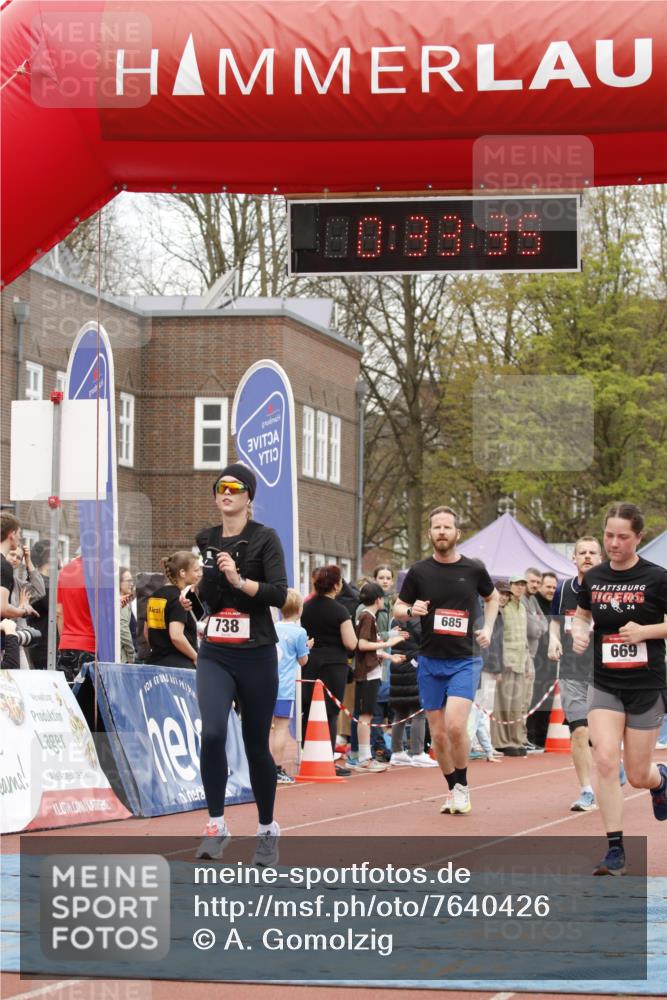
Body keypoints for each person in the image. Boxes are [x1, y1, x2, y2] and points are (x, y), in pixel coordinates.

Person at [194, 463, 288, 865]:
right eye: (221, 487)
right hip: (216, 651)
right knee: (213, 733)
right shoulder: (207, 539)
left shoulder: (265, 538)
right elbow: (209, 598)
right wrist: (196, 593)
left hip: (256, 652)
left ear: (249, 496)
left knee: (255, 746)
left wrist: (238, 581)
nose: (227, 493)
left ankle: (267, 828)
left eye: (235, 488)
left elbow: (279, 595)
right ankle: (216, 826)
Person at [572, 503, 667, 876]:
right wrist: (579, 633)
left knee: (638, 774)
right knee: (606, 760)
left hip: (646, 684)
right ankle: (615, 850)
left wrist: (645, 631)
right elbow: (583, 615)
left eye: (622, 537)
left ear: (638, 537)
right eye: (609, 535)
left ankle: (660, 780)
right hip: (606, 683)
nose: (613, 543)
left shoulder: (657, 578)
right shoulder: (594, 577)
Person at [394, 506, 499, 815]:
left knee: (455, 725)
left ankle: (463, 786)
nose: (442, 531)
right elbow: (398, 607)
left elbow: (492, 597)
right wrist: (411, 610)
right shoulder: (419, 571)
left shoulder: (474, 569)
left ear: (457, 533)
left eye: (447, 527)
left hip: (465, 659)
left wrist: (488, 628)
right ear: (430, 533)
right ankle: (453, 787)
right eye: (437, 527)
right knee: (438, 735)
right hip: (430, 660)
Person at [549, 536, 602, 811]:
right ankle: (586, 791)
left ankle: (613, 762)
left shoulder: (609, 589)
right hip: (572, 670)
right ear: (574, 558)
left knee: (602, 735)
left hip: (604, 672)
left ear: (601, 558)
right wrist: (553, 639)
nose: (587, 557)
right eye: (582, 552)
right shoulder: (563, 589)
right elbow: (555, 623)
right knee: (579, 731)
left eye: (592, 552)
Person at [301, 564, 358, 776]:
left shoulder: (306, 607)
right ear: (336, 585)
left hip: (310, 661)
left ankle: (308, 754)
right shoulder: (340, 610)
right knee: (330, 712)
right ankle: (327, 758)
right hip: (334, 665)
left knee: (310, 708)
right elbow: (351, 643)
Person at [354, 581, 407, 772]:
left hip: (370, 669)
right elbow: (362, 645)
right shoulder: (367, 617)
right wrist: (388, 643)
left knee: (366, 715)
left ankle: (364, 757)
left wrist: (390, 657)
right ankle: (364, 759)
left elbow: (369, 647)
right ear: (378, 599)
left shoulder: (368, 616)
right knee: (365, 715)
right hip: (367, 672)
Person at [272, 588, 312, 784]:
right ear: (299, 609)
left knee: (262, 728)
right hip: (284, 686)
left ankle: (258, 767)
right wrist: (307, 648)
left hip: (265, 684)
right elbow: (303, 660)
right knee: (280, 729)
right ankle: (276, 769)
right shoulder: (299, 632)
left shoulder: (272, 627)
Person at [491, 575, 529, 757]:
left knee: (516, 704)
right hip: (506, 662)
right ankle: (501, 742)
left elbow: (525, 639)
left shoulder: (522, 607)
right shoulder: (503, 607)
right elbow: (497, 637)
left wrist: (528, 662)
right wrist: (502, 660)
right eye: (516, 584)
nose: (520, 587)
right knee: (502, 704)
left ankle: (516, 739)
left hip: (521, 661)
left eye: (522, 584)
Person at [145, 553, 201, 668]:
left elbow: (146, 632)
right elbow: (176, 636)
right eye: (196, 570)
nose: (200, 574)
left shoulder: (155, 596)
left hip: (155, 663)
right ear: (182, 573)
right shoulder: (179, 599)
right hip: (179, 666)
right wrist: (195, 657)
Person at [527, 571, 559, 749]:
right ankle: (530, 738)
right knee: (532, 700)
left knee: (547, 702)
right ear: (540, 586)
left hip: (551, 663)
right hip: (535, 660)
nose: (552, 590)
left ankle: (541, 739)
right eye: (548, 586)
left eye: (554, 587)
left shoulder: (556, 606)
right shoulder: (533, 603)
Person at [56, 552, 96, 684]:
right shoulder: (98, 572)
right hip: (90, 646)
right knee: (88, 696)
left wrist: (65, 639)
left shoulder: (65, 571)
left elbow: (59, 612)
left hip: (66, 644)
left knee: (67, 694)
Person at [520, 567, 548, 751]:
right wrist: (537, 624)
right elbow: (533, 630)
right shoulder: (521, 600)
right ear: (525, 581)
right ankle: (518, 738)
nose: (535, 585)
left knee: (527, 700)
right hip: (522, 654)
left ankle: (522, 738)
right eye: (532, 581)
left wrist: (537, 624)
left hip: (531, 654)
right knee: (521, 699)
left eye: (538, 582)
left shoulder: (533, 600)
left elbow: (544, 624)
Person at [119, 567, 136, 664]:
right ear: (119, 583)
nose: (132, 584)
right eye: (129, 581)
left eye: (132, 581)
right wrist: (131, 654)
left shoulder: (112, 600)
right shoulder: (123, 603)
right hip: (122, 657)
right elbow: (123, 629)